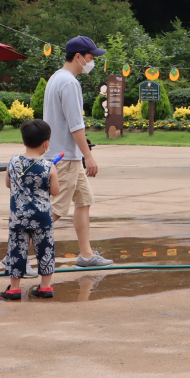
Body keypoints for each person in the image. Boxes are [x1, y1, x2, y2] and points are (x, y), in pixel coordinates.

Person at [44, 36, 113, 267]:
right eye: (91, 57)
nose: (92, 62)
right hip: (64, 157)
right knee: (54, 210)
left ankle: (86, 255)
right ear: (78, 57)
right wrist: (89, 155)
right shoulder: (70, 83)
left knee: (84, 200)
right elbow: (76, 125)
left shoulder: (56, 77)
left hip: (64, 154)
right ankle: (17, 254)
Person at [2, 120, 61, 301]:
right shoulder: (48, 166)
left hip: (18, 217)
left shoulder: (13, 162)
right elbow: (55, 191)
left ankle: (14, 288)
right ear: (46, 144)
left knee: (17, 250)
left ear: (23, 142)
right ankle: (45, 286)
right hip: (42, 217)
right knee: (45, 250)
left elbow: (7, 184)